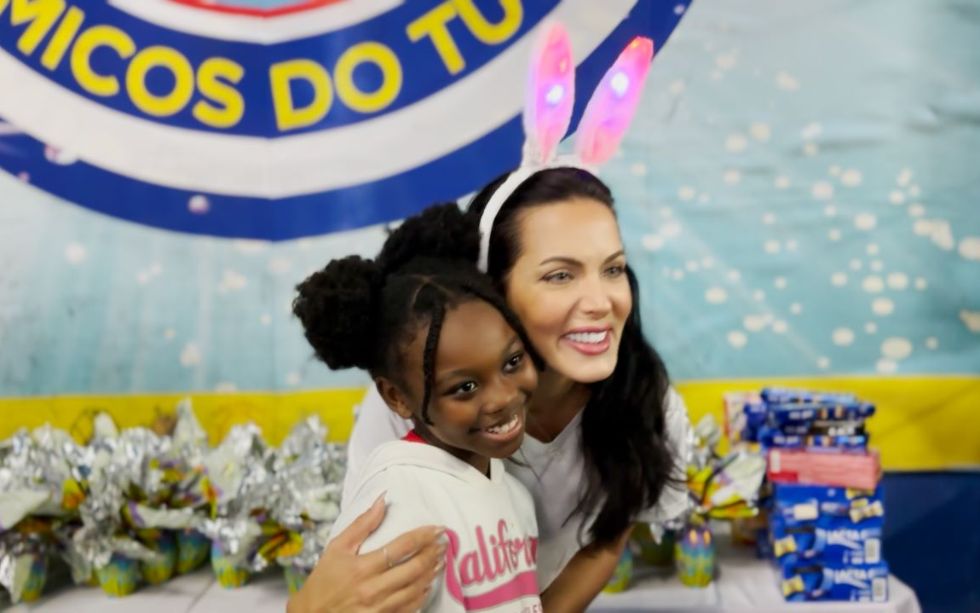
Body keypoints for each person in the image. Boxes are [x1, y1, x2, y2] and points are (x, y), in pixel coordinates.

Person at [288, 24, 691, 612]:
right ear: (492, 289)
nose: (603, 300)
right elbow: (363, 575)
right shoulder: (411, 407)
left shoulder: (642, 400)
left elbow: (607, 538)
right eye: (559, 274)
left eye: (612, 268)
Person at [292, 204, 543, 612]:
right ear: (396, 397)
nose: (502, 396)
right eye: (464, 387)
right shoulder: (398, 501)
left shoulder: (511, 491)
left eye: (512, 362)